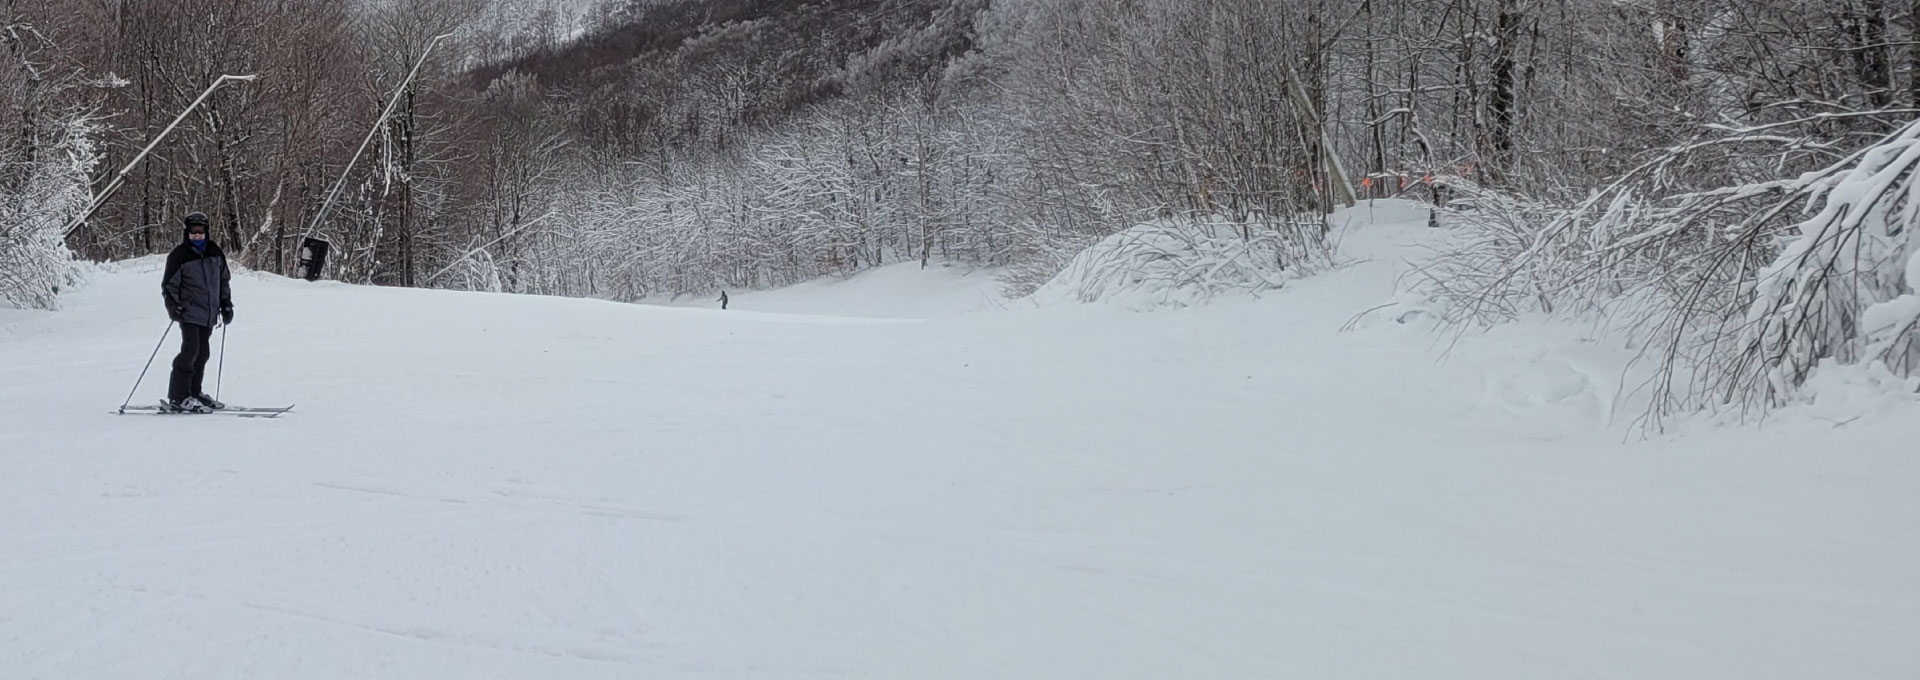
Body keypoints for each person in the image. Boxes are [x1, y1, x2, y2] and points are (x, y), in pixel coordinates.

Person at [160, 212, 234, 412]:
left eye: (200, 232)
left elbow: (223, 281)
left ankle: (194, 392)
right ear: (187, 232)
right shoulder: (179, 256)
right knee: (190, 351)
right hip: (189, 312)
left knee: (203, 353)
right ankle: (178, 396)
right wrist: (173, 306)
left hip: (209, 313)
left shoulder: (215, 252)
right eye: (193, 232)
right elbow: (169, 286)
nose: (197, 236)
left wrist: (226, 304)